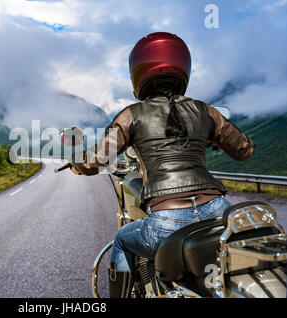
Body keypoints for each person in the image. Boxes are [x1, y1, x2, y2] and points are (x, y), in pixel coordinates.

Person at [70, 32, 256, 298]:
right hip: (217, 210)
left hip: (166, 219)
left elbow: (96, 160)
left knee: (123, 240)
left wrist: (78, 162)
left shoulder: (131, 115)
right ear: (182, 66)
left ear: (139, 70)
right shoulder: (204, 110)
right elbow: (244, 150)